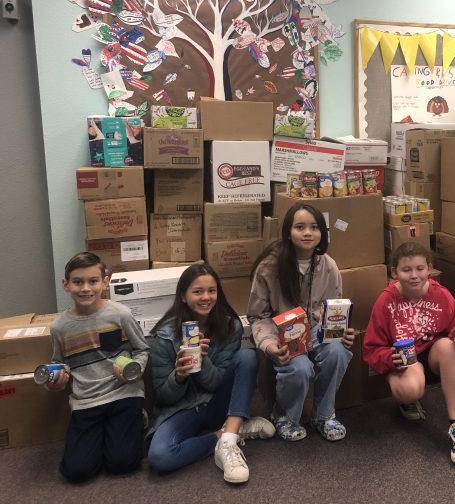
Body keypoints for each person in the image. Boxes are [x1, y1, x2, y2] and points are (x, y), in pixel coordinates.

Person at [146, 263, 274, 484]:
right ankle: (227, 434)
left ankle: (229, 441)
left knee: (247, 357)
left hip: (217, 402)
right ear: (183, 296)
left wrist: (201, 359)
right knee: (160, 456)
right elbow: (164, 398)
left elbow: (215, 383)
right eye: (198, 291)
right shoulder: (165, 336)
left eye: (211, 291)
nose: (206, 297)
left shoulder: (230, 327)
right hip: (183, 408)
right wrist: (179, 376)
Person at [248, 203, 356, 442]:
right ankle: (285, 415)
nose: (308, 233)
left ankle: (324, 415)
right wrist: (269, 345)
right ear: (288, 232)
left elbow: (333, 309)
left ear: (322, 233)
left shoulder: (328, 265)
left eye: (314, 227)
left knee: (337, 352)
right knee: (299, 368)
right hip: (282, 332)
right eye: (300, 227)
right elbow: (257, 315)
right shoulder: (269, 267)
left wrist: (342, 332)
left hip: (316, 328)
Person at [363, 242, 455, 465]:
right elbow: (371, 348)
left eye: (420, 268)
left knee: (449, 347)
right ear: (394, 272)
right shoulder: (386, 300)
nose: (414, 275)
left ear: (429, 269)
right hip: (405, 362)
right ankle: (407, 400)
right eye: (406, 270)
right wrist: (389, 358)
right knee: (410, 390)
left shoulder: (441, 294)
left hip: (434, 356)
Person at [46, 251, 149, 483]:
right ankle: (105, 435)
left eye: (93, 281)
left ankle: (136, 421)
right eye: (77, 282)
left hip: (123, 393)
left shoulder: (120, 315)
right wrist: (55, 382)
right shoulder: (59, 328)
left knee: (122, 463)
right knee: (77, 471)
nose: (85, 288)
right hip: (86, 401)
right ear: (66, 285)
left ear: (105, 282)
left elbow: (142, 349)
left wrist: (135, 370)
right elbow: (59, 364)